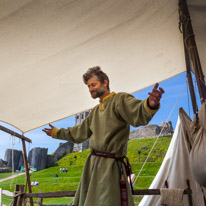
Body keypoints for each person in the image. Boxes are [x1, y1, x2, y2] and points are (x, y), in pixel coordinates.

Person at [43, 66, 164, 206]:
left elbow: (137, 112)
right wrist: (57, 133)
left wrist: (150, 104)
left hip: (110, 167)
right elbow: (79, 132)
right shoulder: (94, 112)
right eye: (88, 86)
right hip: (92, 165)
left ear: (105, 83)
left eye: (93, 85)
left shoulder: (120, 100)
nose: (90, 89)